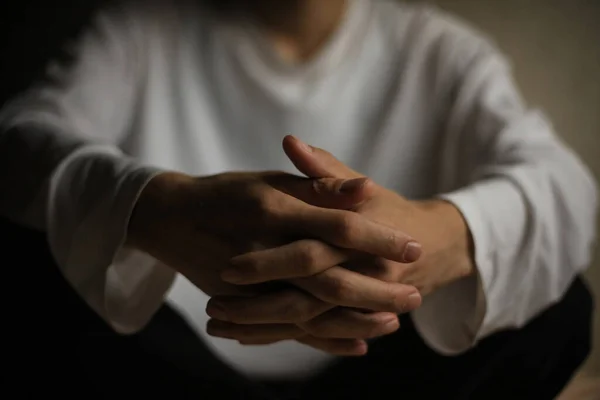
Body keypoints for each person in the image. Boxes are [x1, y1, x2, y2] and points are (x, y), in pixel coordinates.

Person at [0, 0, 596, 398]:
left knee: (553, 299)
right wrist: (157, 207)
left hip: (377, 372)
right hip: (170, 366)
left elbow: (563, 184)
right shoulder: (141, 31)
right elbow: (22, 140)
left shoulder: (439, 50)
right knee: (28, 257)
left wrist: (432, 239)